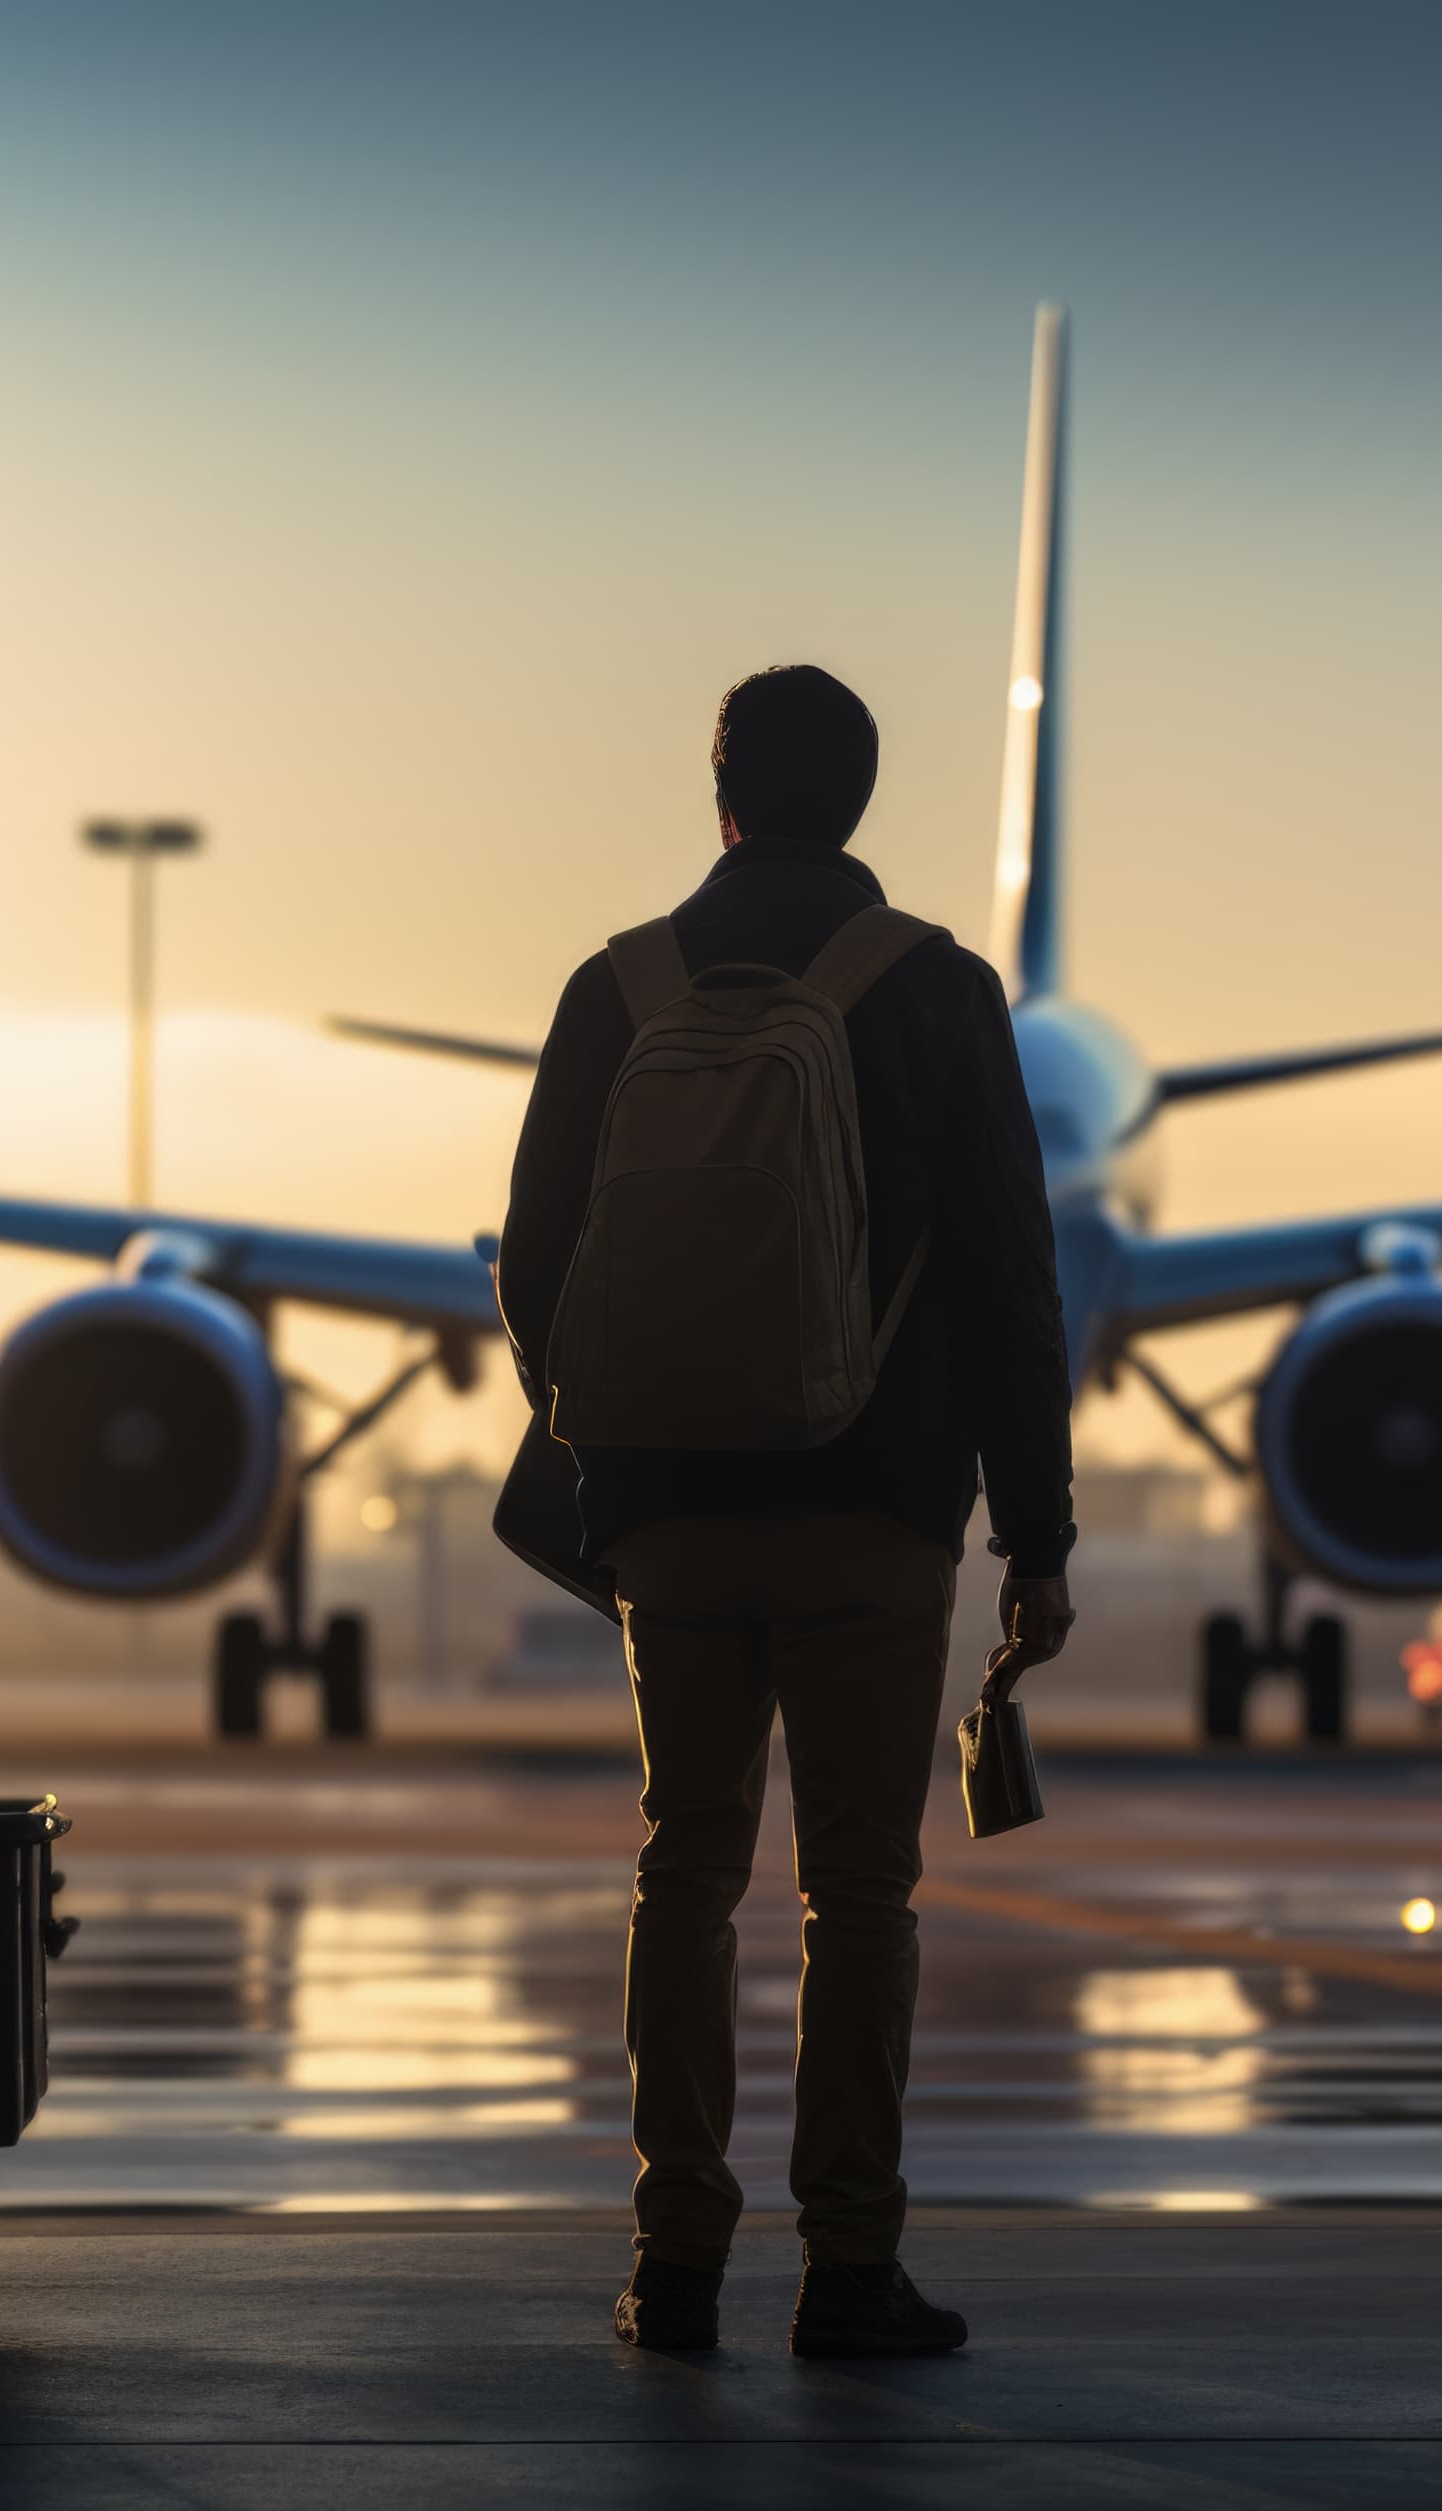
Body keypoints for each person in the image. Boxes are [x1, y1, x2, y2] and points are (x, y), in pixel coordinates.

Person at [496, 664, 1076, 2358]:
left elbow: (533, 1260)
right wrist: (1032, 1534)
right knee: (859, 1893)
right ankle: (849, 2268)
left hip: (667, 1516)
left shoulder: (618, 990)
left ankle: (673, 2263)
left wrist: (611, 1431)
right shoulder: (936, 992)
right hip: (872, 1518)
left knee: (681, 1871)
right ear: (864, 800)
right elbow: (1007, 1281)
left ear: (722, 794)